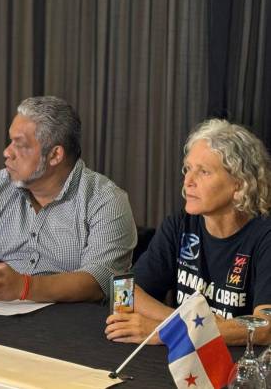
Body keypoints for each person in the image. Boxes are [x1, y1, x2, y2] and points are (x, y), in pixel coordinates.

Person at [0, 96, 136, 302]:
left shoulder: (106, 200)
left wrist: (24, 287)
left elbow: (100, 282)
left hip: (69, 321)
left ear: (54, 155)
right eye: (10, 141)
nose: (7, 152)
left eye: (20, 145)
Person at [105, 119, 271, 346]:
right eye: (188, 169)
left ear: (240, 185)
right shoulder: (180, 225)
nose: (188, 181)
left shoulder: (264, 236)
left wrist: (169, 332)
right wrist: (180, 324)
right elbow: (122, 293)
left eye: (204, 172)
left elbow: (265, 329)